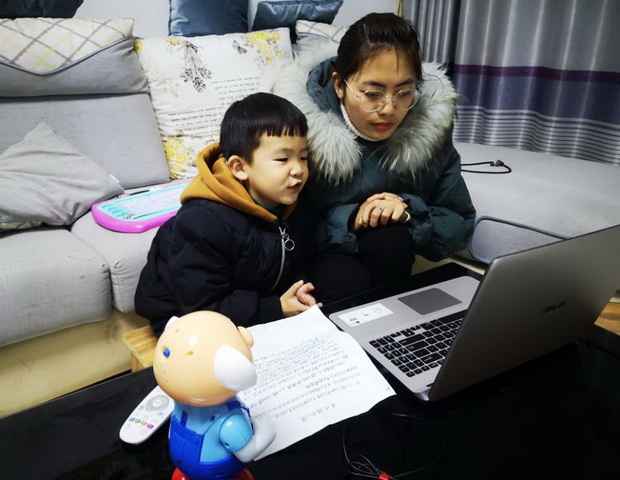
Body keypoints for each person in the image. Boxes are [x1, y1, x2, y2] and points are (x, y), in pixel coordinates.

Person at [272, 13, 476, 303]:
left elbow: (458, 221)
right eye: (372, 94)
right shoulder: (295, 130)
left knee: (391, 240)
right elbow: (279, 232)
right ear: (339, 85)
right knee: (345, 283)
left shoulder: (427, 129)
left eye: (404, 92)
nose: (389, 109)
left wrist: (407, 210)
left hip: (387, 248)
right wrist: (352, 218)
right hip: (317, 253)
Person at [135, 92, 318, 336]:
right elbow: (203, 307)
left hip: (254, 301)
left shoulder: (289, 201)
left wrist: (296, 292)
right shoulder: (202, 223)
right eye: (283, 159)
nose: (298, 169)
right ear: (240, 167)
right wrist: (275, 307)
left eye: (303, 157)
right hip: (187, 314)